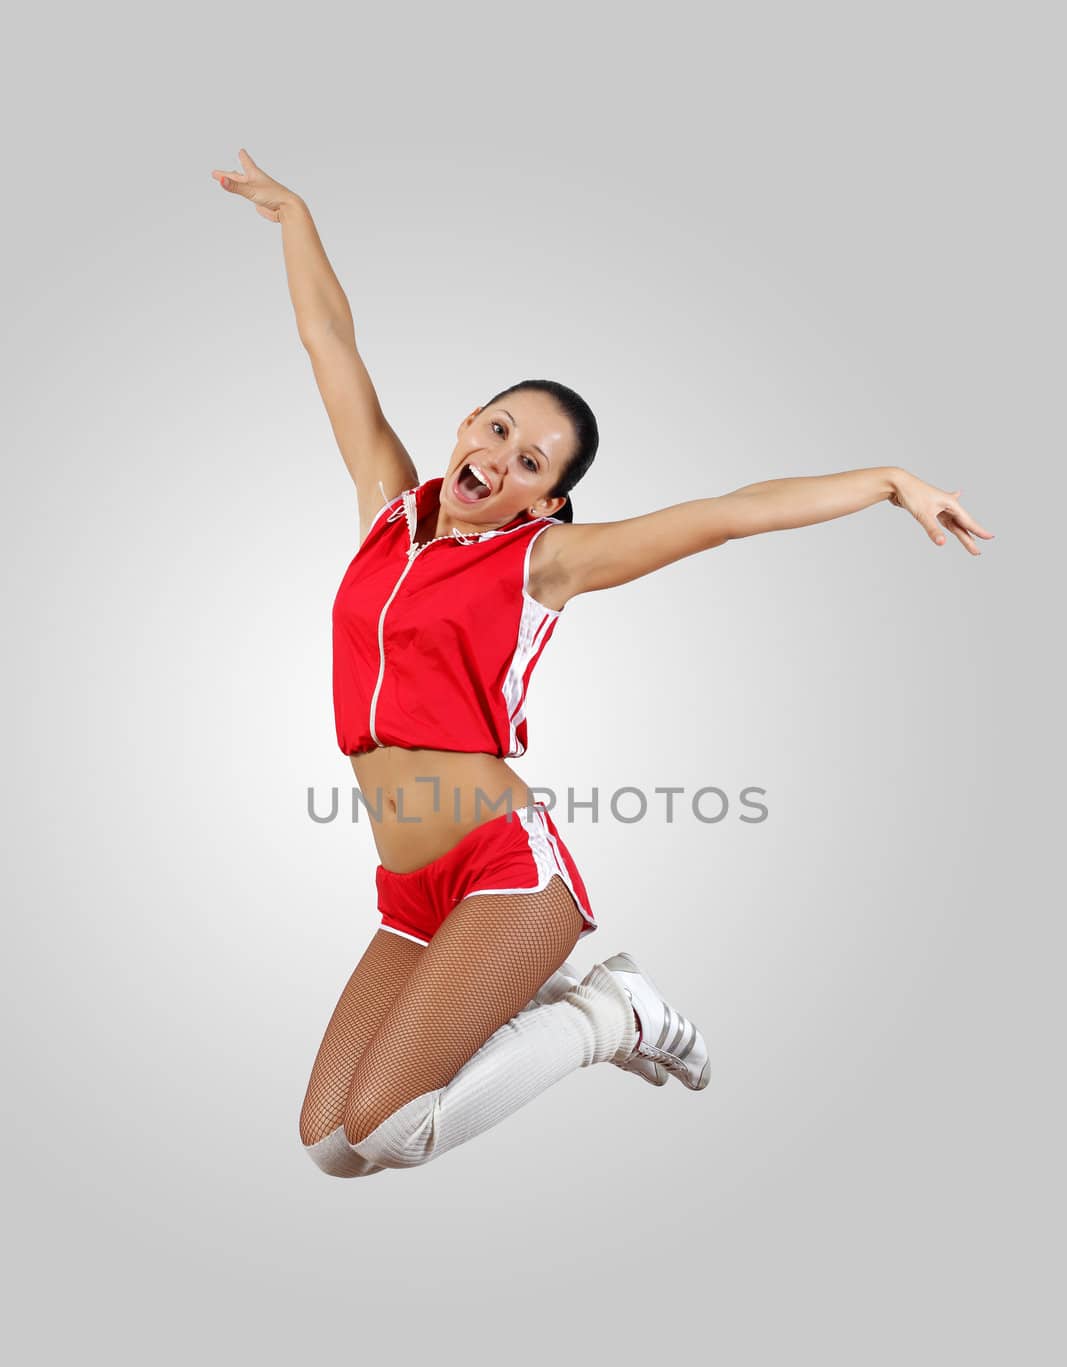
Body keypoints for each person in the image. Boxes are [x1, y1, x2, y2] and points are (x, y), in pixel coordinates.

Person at [212, 150, 995, 1179]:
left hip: (504, 870)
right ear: (465, 426)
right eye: (497, 426)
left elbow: (720, 517)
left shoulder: (541, 562)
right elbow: (329, 342)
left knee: (391, 1128)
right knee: (330, 1146)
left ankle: (609, 1011)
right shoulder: (386, 513)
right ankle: (537, 998)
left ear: (541, 500)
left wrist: (889, 480)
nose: (501, 454)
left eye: (531, 461)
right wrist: (294, 215)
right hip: (411, 888)